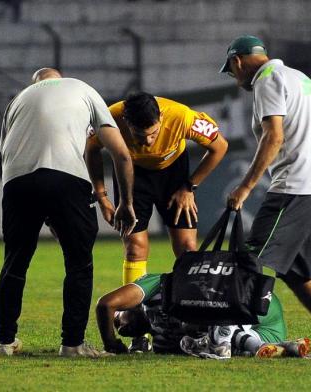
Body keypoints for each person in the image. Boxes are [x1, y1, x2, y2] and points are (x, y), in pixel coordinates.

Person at [219, 35, 311, 359]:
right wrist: (307, 219)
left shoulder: (267, 79)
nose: (235, 79)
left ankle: (226, 337)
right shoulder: (302, 80)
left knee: (249, 256)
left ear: (238, 62)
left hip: (293, 188)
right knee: (297, 274)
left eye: (232, 71)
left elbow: (273, 135)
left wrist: (246, 187)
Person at [0, 68, 136, 357]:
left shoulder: (17, 101)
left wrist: (40, 210)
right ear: (59, 79)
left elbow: (5, 154)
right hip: (67, 179)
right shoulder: (81, 88)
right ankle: (72, 344)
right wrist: (126, 203)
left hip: (16, 184)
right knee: (79, 263)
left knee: (15, 262)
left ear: (36, 84)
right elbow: (121, 153)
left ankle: (5, 342)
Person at [87, 92, 228, 351]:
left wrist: (189, 186)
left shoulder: (183, 117)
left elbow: (220, 146)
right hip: (132, 177)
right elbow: (91, 149)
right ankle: (137, 328)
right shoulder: (110, 117)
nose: (149, 141)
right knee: (135, 247)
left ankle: (194, 325)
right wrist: (102, 196)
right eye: (141, 136)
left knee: (187, 248)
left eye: (153, 133)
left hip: (174, 176)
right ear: (127, 123)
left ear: (161, 117)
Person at [96, 273, 311, 359]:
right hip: (265, 333)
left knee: (202, 317)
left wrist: (112, 344)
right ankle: (285, 347)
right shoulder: (162, 342)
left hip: (254, 301)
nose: (119, 327)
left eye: (118, 319)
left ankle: (225, 339)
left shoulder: (155, 284)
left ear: (132, 305)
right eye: (119, 331)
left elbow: (106, 304)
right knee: (203, 340)